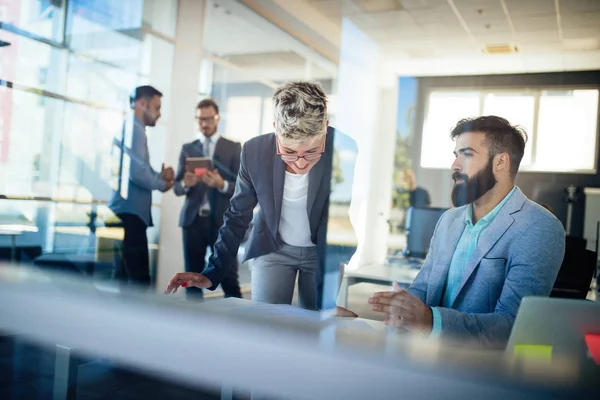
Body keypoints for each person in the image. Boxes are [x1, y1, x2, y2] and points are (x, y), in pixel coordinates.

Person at [368, 116, 565, 348]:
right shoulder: (449, 220)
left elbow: (513, 325)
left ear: (500, 162)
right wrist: (403, 307)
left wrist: (431, 321)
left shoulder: (539, 227)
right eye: (456, 155)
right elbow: (423, 287)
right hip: (427, 354)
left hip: (484, 370)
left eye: (467, 154)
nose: (455, 165)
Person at [165, 81, 353, 310]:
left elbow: (334, 218)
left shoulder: (343, 149)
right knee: (266, 322)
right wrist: (212, 272)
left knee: (315, 326)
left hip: (322, 252)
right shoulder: (255, 151)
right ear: (276, 130)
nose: (301, 162)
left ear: (325, 126)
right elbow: (237, 215)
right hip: (271, 247)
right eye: (290, 152)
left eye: (312, 151)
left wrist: (326, 303)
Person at [173, 99, 242, 300]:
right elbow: (177, 188)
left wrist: (221, 184)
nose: (204, 123)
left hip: (222, 223)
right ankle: (193, 326)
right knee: (191, 279)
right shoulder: (188, 148)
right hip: (193, 222)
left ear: (217, 118)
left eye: (209, 119)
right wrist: (186, 183)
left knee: (229, 278)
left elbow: (243, 187)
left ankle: (238, 328)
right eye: (200, 119)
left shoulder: (233, 147)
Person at [108, 85, 175, 288]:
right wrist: (162, 183)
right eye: (156, 107)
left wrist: (158, 176)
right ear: (141, 104)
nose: (159, 113)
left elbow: (139, 168)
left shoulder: (133, 128)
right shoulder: (135, 129)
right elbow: (137, 173)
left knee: (124, 279)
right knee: (139, 283)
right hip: (130, 215)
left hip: (126, 213)